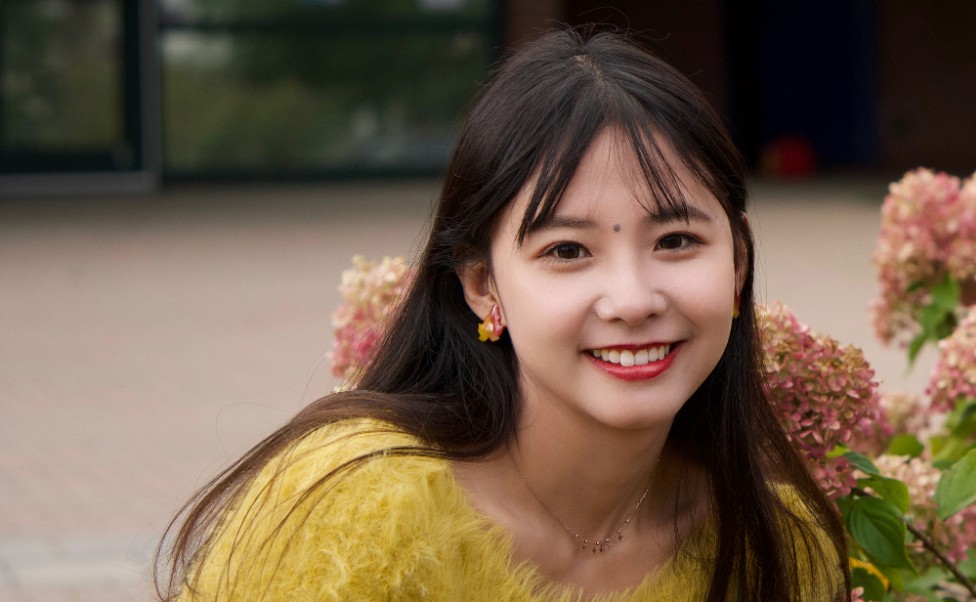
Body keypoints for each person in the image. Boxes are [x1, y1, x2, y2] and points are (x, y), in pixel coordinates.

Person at [156, 27, 848, 601]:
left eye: (676, 242)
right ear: (484, 287)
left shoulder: (774, 552)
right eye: (568, 250)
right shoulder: (352, 515)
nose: (634, 299)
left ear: (737, 267)